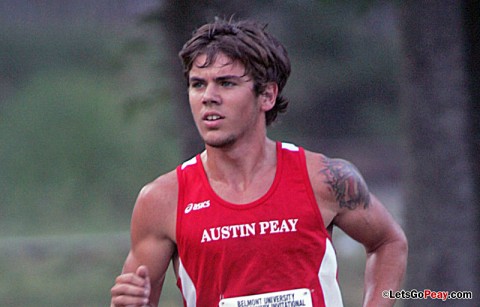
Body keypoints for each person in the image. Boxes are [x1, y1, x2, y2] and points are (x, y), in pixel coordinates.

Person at [110, 18, 408, 307]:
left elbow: (389, 244)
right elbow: (138, 298)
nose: (208, 97)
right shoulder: (163, 199)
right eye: (198, 84)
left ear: (266, 95)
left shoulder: (326, 178)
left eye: (226, 83)